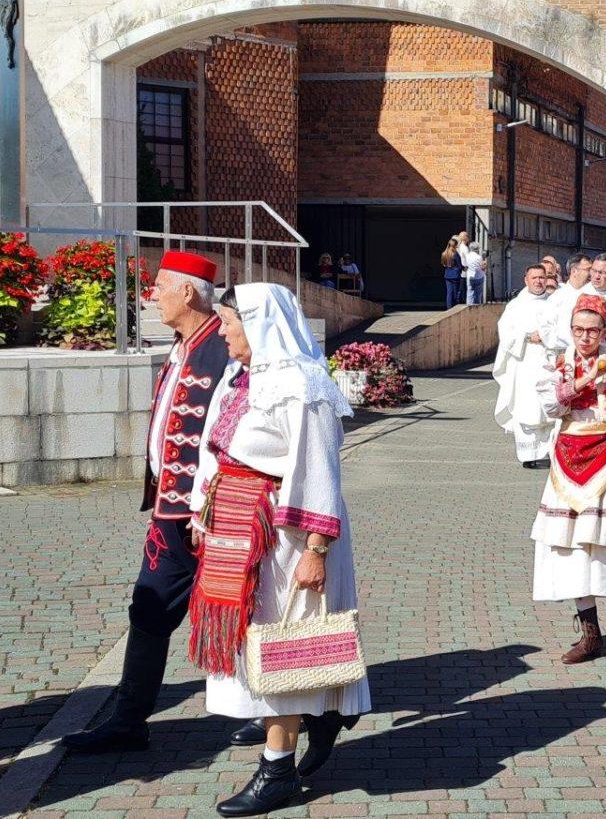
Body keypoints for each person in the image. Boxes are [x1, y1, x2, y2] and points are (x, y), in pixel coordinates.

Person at [63, 253, 263, 752]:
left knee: (249, 605)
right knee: (148, 609)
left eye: (159, 287)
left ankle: (273, 711)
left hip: (216, 511)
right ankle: (129, 721)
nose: (152, 295)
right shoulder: (180, 345)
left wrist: (213, 503)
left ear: (189, 293)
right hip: (171, 512)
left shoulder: (224, 344)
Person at [190, 283, 370, 816]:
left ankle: (277, 772)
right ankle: (321, 715)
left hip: (287, 537)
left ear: (260, 324)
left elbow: (318, 469)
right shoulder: (242, 378)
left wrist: (315, 547)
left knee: (281, 643)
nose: (221, 332)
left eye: (229, 323)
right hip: (241, 529)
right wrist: (206, 511)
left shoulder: (302, 383)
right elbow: (218, 452)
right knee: (257, 640)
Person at [532, 294, 606, 663]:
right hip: (569, 458)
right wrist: (586, 378)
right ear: (571, 330)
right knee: (570, 545)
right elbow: (550, 405)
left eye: (593, 330)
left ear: (604, 331)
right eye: (578, 330)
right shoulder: (559, 366)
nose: (585, 337)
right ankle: (591, 632)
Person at [493, 265, 555, 468]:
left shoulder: (555, 302)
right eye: (534, 277)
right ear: (526, 280)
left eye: (542, 277)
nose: (539, 281)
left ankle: (549, 452)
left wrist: (547, 337)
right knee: (527, 407)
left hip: (549, 362)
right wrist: (528, 336)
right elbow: (506, 334)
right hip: (524, 363)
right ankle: (528, 456)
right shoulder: (515, 306)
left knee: (549, 408)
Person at [553, 254, 606, 353]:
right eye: (594, 271)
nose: (596, 276)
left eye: (602, 273)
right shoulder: (576, 297)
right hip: (583, 358)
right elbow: (565, 330)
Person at [540, 252, 593, 352]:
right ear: (574, 271)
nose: (592, 274)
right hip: (563, 353)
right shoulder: (557, 297)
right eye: (588, 270)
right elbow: (546, 329)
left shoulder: (595, 296)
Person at [440, 237, 463, 309]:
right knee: (456, 293)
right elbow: (459, 265)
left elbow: (443, 264)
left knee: (449, 293)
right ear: (455, 245)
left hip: (447, 274)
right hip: (455, 275)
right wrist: (463, 268)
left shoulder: (444, 253)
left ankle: (449, 308)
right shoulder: (455, 254)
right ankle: (455, 308)